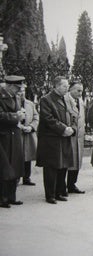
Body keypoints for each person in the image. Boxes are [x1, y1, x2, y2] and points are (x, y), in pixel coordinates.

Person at [36, 76, 75, 204]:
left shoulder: (65, 99)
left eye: (67, 86)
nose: (67, 88)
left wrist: (71, 129)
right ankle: (50, 195)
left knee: (62, 166)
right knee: (51, 168)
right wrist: (64, 129)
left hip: (63, 137)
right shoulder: (46, 99)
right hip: (51, 139)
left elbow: (72, 115)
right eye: (64, 86)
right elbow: (48, 119)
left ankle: (59, 192)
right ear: (57, 86)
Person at [0, 75, 26, 207]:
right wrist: (16, 116)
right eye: (17, 87)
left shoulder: (14, 96)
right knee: (5, 167)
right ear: (9, 86)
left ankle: (11, 196)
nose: (19, 90)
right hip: (4, 135)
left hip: (14, 134)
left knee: (15, 165)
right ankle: (2, 198)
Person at [64, 80, 85, 194]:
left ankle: (72, 184)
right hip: (69, 135)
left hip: (79, 136)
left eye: (81, 90)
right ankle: (62, 186)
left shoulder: (80, 101)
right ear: (70, 89)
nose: (80, 93)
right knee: (67, 161)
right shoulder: (65, 100)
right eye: (78, 90)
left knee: (76, 161)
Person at [18, 84, 39, 186]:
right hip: (17, 134)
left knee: (27, 155)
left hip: (28, 134)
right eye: (19, 90)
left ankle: (27, 177)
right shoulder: (12, 103)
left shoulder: (30, 104)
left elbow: (36, 117)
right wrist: (21, 127)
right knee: (17, 156)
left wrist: (31, 127)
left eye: (23, 91)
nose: (21, 93)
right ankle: (16, 178)